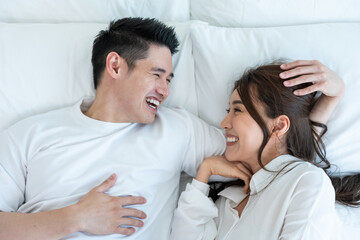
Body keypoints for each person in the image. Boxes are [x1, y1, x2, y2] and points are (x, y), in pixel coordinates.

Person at [0, 17, 351, 239]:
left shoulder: (177, 129)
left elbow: (268, 149)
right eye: (156, 75)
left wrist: (331, 99)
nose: (166, 91)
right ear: (115, 65)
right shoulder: (29, 135)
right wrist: (73, 218)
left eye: (169, 79)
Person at [170, 61, 352, 239]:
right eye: (228, 110)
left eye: (238, 110)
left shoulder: (306, 181)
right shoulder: (228, 200)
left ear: (279, 125)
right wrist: (204, 173)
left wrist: (335, 94)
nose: (224, 123)